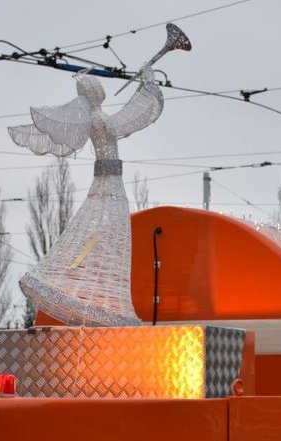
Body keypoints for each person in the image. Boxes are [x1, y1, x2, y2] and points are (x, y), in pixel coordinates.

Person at [9, 67, 164, 326]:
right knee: (104, 236)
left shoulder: (96, 118)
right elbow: (131, 118)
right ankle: (84, 293)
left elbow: (129, 119)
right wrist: (147, 88)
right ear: (95, 93)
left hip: (107, 181)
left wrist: (143, 89)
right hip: (110, 184)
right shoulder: (100, 119)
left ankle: (93, 296)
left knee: (96, 234)